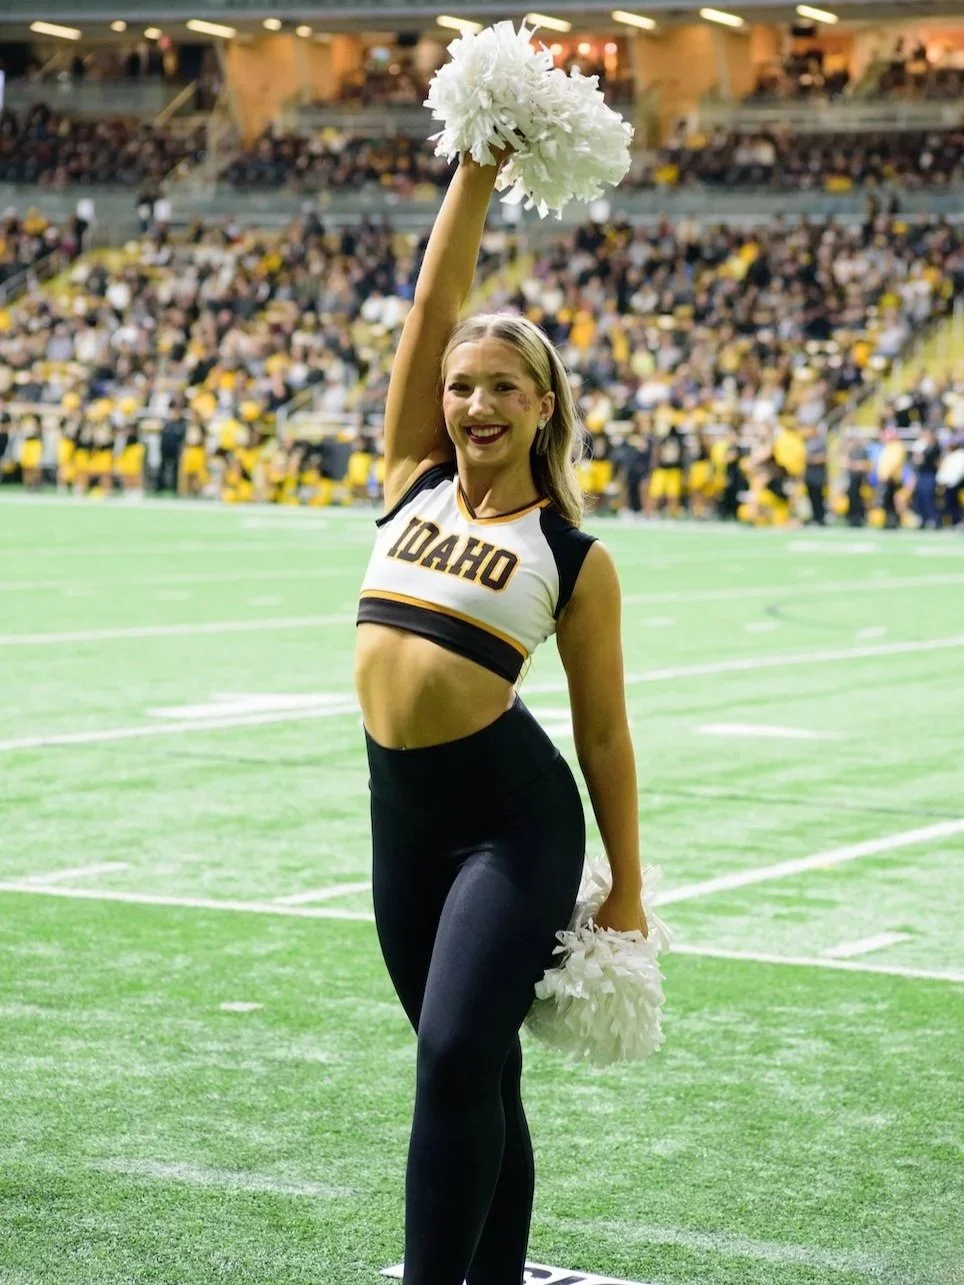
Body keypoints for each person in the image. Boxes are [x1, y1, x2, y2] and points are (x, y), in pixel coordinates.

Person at [353, 149, 648, 1285]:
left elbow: (605, 734)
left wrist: (623, 883)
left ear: (542, 408)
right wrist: (473, 169)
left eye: (499, 389)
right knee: (472, 1069)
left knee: (454, 1051)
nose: (473, 402)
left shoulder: (572, 557)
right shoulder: (406, 479)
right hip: (401, 814)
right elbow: (434, 304)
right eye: (460, 385)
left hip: (511, 827)